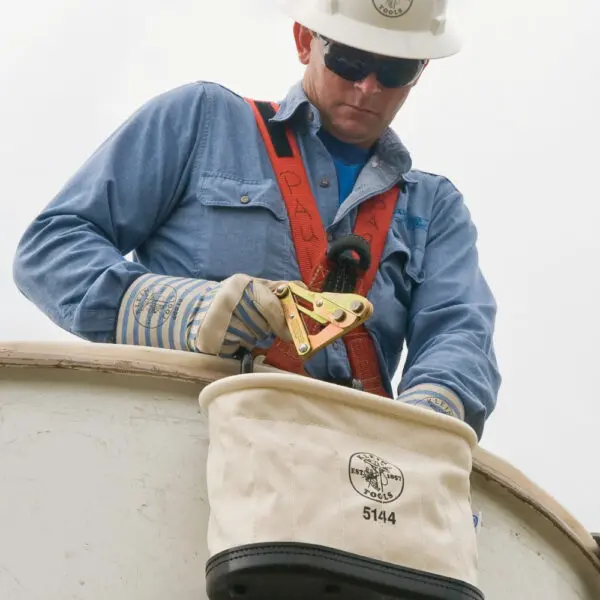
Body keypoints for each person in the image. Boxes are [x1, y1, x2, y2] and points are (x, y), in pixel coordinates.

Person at [12, 0, 501, 439]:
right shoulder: (201, 122)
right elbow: (51, 250)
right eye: (349, 60)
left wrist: (428, 420)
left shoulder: (433, 208)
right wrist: (190, 311)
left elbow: (458, 333)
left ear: (421, 71)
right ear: (305, 40)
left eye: (394, 69)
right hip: (184, 440)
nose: (367, 87)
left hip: (351, 473)